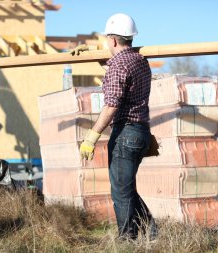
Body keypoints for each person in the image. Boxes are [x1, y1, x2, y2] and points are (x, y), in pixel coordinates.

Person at [78, 13, 157, 240]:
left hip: (125, 133)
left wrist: (91, 137)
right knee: (127, 189)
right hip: (141, 132)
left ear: (112, 40)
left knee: (121, 192)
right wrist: (93, 54)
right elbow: (118, 71)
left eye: (106, 40)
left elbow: (111, 105)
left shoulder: (118, 67)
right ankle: (152, 233)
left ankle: (127, 240)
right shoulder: (140, 61)